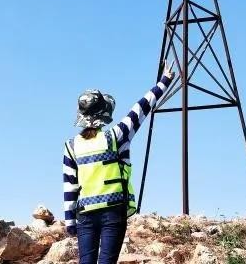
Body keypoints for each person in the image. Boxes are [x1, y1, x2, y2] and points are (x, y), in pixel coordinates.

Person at [62, 61, 176, 264]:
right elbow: (141, 108)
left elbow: (69, 185)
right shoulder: (116, 136)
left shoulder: (71, 145)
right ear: (104, 112)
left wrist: (70, 221)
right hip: (113, 212)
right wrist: (164, 81)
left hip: (85, 216)